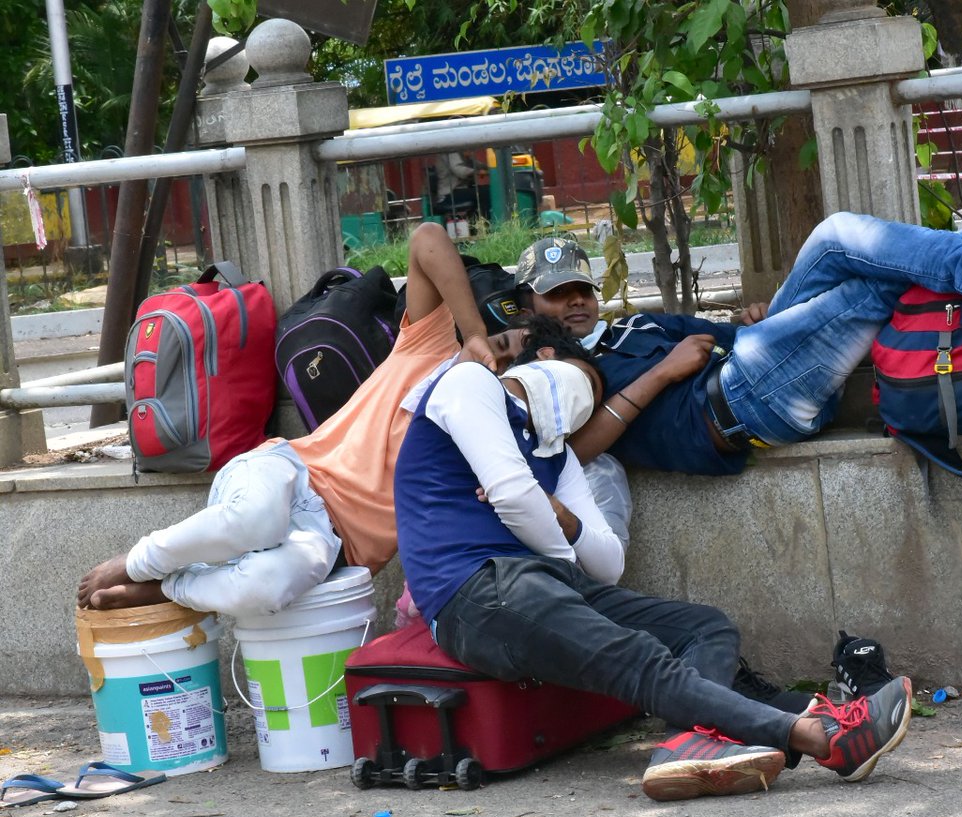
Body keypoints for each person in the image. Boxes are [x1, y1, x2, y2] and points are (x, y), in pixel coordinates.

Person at [393, 333, 914, 801]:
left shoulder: (558, 455)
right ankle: (820, 739)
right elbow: (510, 496)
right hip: (476, 589)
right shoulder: (470, 384)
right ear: (544, 359)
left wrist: (552, 513)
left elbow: (605, 562)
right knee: (636, 653)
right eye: (588, 386)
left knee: (703, 627)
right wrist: (544, 527)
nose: (582, 405)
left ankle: (694, 744)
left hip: (545, 581)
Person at [74, 225, 617, 617]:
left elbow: (571, 458)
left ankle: (170, 589)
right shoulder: (429, 350)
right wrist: (473, 335)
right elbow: (427, 238)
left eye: (506, 360)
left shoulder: (506, 445)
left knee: (267, 585)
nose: (492, 359)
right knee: (255, 519)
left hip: (331, 546)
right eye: (498, 343)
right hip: (292, 473)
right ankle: (138, 562)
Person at [515, 140, 962, 476]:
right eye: (557, 294)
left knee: (840, 235)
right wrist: (665, 371)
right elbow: (572, 450)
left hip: (755, 364)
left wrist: (758, 320)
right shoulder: (544, 372)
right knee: (878, 284)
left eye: (581, 289)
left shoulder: (632, 325)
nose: (574, 302)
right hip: (742, 410)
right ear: (530, 308)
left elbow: (720, 338)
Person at [433, 151, 483, 218]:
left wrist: (489, 168)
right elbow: (459, 170)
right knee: (484, 193)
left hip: (458, 190)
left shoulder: (459, 151)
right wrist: (478, 172)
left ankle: (475, 223)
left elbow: (473, 163)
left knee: (483, 191)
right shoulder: (451, 151)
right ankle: (486, 223)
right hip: (449, 194)